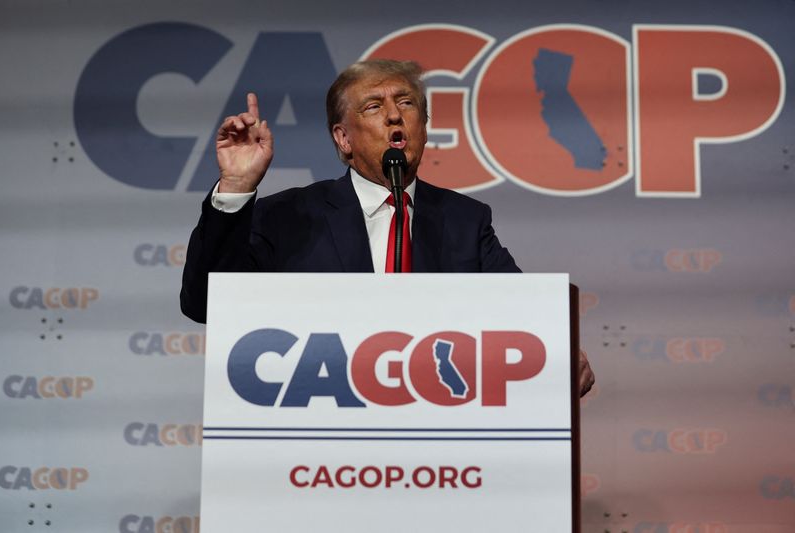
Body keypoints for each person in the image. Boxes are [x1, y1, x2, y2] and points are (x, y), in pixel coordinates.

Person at [180, 59, 594, 396]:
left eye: (407, 103)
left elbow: (521, 313)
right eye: (374, 107)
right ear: (343, 138)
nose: (395, 114)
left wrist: (557, 350)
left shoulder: (465, 220)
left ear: (424, 128)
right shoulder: (291, 216)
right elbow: (205, 303)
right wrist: (236, 186)